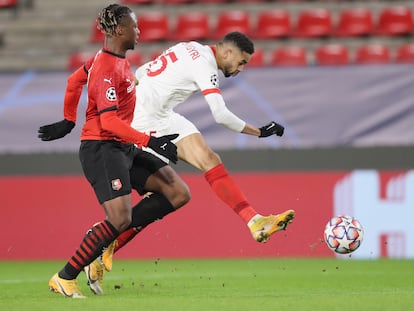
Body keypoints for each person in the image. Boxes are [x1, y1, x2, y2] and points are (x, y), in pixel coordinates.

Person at [65, 31, 295, 294]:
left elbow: (142, 72)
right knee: (167, 193)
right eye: (241, 62)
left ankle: (254, 220)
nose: (241, 69)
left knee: (209, 160)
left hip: (161, 114)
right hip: (143, 120)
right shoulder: (205, 64)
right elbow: (220, 115)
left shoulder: (189, 47)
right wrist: (260, 132)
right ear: (227, 53)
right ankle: (105, 242)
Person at [38, 4, 190, 298]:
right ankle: (64, 277)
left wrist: (69, 120)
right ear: (120, 30)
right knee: (119, 219)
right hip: (102, 149)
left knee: (177, 192)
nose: (139, 31)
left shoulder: (108, 60)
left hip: (122, 146)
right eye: (134, 26)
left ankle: (105, 238)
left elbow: (73, 82)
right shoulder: (107, 68)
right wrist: (150, 141)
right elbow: (107, 121)